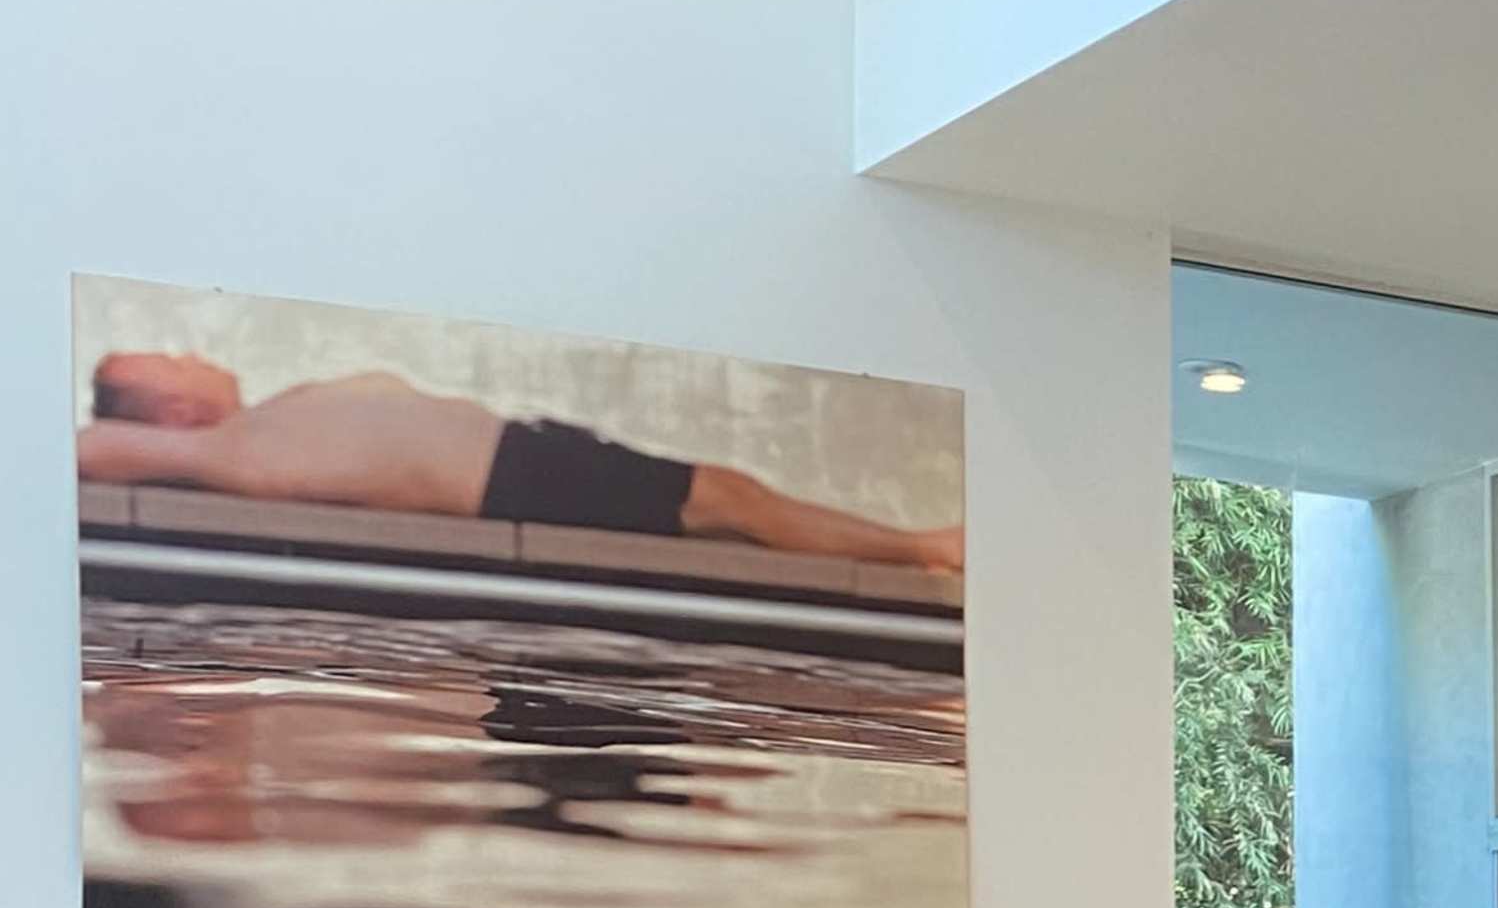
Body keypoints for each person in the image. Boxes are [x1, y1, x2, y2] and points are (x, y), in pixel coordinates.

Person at [80, 352, 961, 576]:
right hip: (512, 477)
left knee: (730, 503)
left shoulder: (266, 423)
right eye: (170, 359)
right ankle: (922, 547)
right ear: (170, 410)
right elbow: (82, 450)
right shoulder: (220, 446)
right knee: (731, 501)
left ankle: (915, 545)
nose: (193, 351)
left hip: (524, 457)